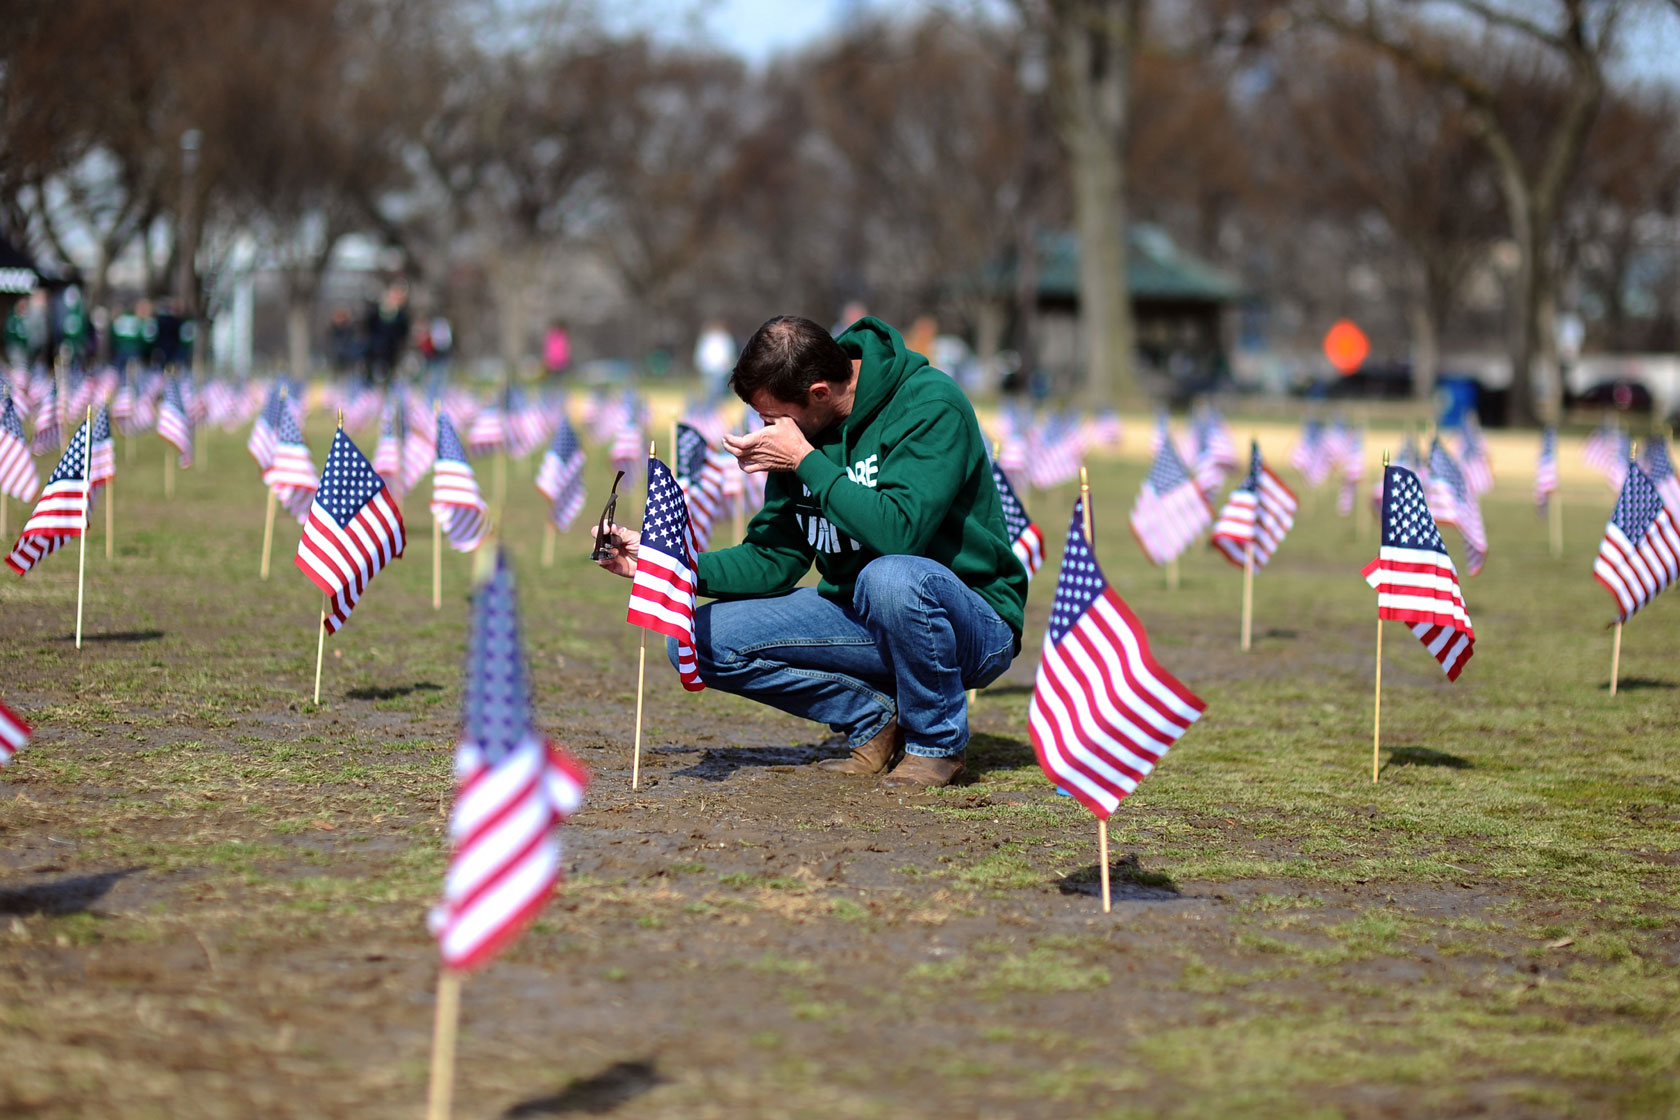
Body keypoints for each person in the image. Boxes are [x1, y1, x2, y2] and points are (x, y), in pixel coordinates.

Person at [593, 315, 1026, 788]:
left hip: (971, 622)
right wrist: (667, 562)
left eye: (773, 418)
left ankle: (936, 744)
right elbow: (772, 557)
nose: (767, 429)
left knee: (891, 577)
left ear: (819, 393)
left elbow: (900, 533)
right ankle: (874, 718)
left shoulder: (930, 404)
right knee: (690, 640)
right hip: (861, 612)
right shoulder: (800, 435)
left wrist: (805, 461)